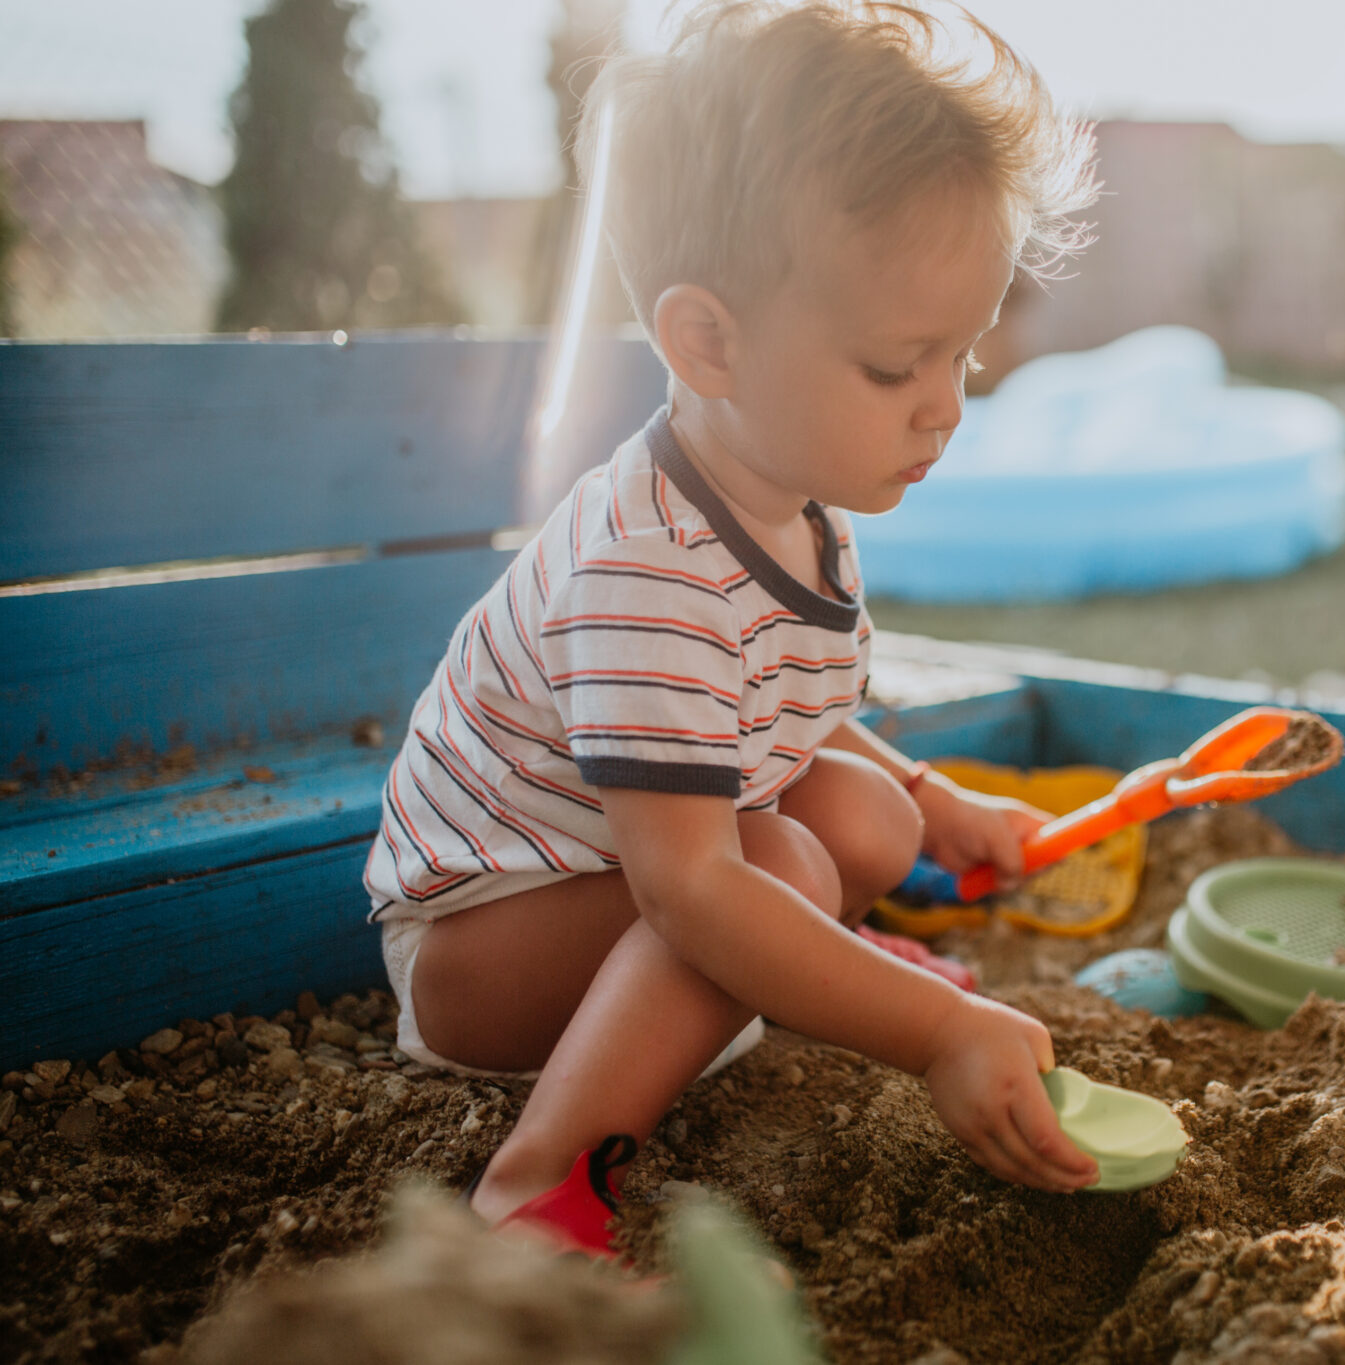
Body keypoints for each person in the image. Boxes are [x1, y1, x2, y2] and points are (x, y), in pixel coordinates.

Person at [362, 0, 1104, 1256]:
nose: (943, 412)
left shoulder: (786, 500)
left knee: (870, 818)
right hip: (486, 950)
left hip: (619, 876)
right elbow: (694, 887)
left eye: (962, 361)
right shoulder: (648, 570)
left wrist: (939, 797)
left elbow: (792, 717)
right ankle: (534, 1195)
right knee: (772, 874)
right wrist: (931, 1035)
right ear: (707, 340)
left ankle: (802, 977)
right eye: (895, 367)